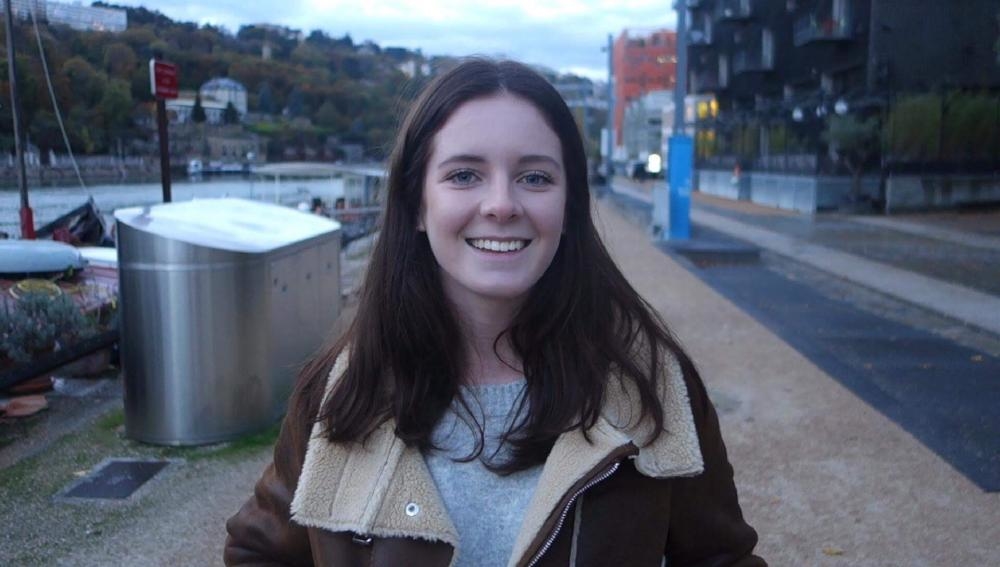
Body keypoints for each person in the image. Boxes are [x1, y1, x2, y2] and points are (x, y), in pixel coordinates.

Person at [225, 58, 765, 567]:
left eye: (535, 177)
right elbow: (258, 553)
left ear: (570, 206)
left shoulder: (653, 386)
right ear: (416, 205)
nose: (502, 204)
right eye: (464, 175)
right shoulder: (341, 390)